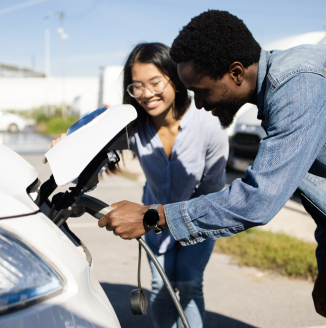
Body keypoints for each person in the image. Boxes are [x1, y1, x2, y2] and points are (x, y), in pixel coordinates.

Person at [98, 10, 326, 327]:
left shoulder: (302, 84)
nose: (198, 104)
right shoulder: (284, 90)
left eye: (201, 91)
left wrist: (153, 216)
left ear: (236, 72)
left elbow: (260, 198)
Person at [54, 42, 228, 328]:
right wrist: (69, 148)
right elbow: (94, 162)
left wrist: (186, 222)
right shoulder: (134, 126)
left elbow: (212, 191)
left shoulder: (209, 123)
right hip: (153, 221)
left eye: (155, 82)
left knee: (189, 281)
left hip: (199, 217)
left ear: (175, 77)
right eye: (137, 86)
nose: (147, 94)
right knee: (161, 286)